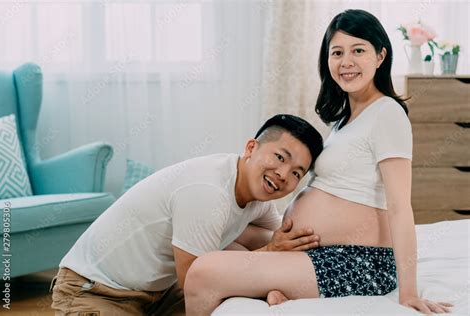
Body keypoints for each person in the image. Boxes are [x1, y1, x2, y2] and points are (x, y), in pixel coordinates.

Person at [184, 9, 453, 315]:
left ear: (380, 56)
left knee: (202, 273)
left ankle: (279, 286)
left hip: (359, 261)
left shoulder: (387, 113)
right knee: (231, 239)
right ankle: (279, 289)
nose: (346, 62)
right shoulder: (344, 121)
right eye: (336, 52)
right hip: (322, 252)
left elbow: (400, 206)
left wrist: (409, 293)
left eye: (358, 51)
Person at [50, 114, 324, 315]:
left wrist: (275, 282)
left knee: (255, 242)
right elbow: (197, 282)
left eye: (297, 173)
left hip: (158, 292)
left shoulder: (258, 198)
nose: (284, 174)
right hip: (96, 290)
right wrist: (269, 254)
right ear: (251, 148)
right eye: (280, 157)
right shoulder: (208, 190)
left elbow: (283, 241)